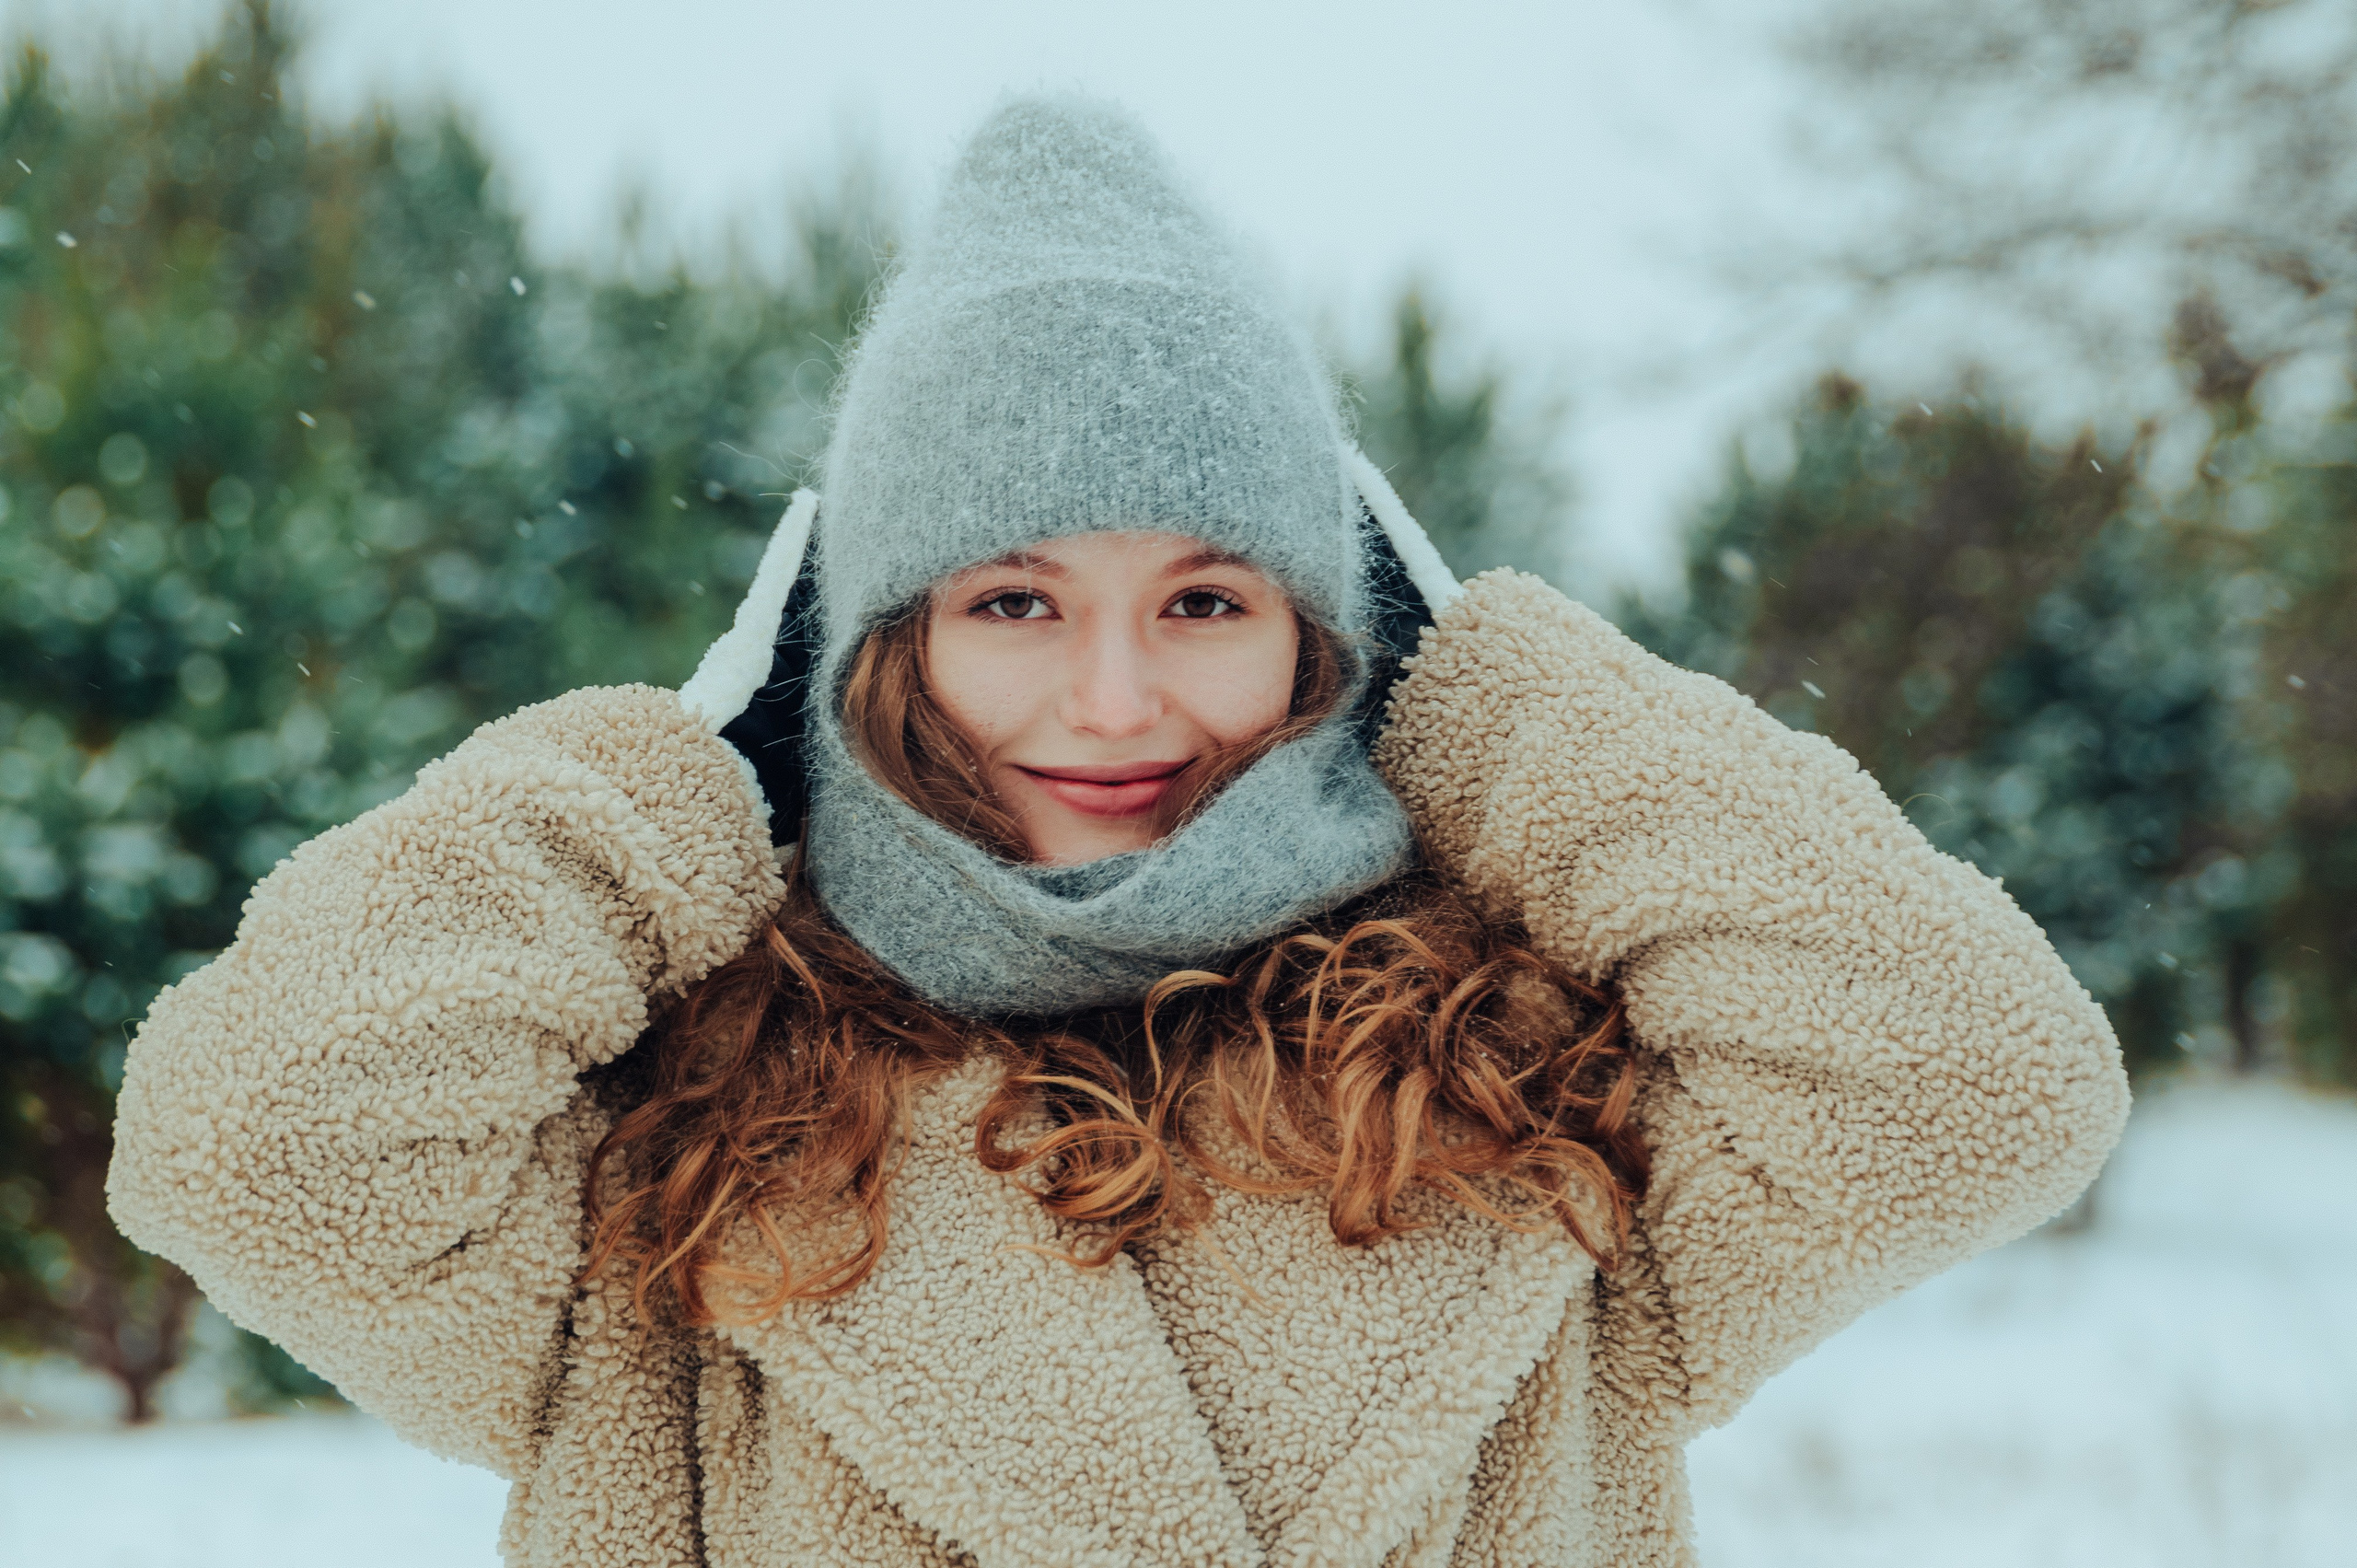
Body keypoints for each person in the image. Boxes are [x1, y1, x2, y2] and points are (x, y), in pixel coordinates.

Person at [107, 98, 2129, 1568]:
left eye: (1203, 600)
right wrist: (680, 776)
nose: (1112, 704)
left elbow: (1973, 1084)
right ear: (867, 644)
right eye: (1009, 602)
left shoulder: (1539, 1095)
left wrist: (1497, 701)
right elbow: (251, 1151)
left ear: (1328, 633)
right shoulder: (672, 1139)